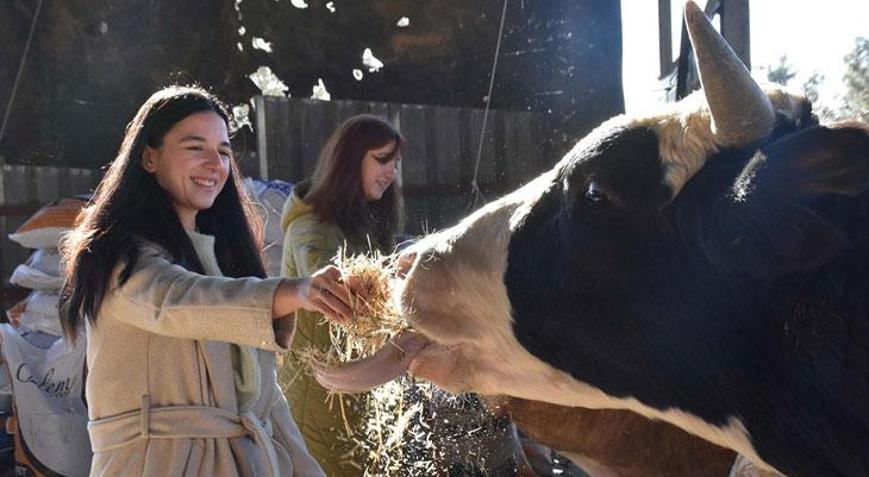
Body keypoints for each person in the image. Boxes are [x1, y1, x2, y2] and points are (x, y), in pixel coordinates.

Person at [60, 85, 360, 477]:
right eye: (194, 147)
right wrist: (295, 290)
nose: (214, 163)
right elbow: (177, 301)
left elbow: (266, 404)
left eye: (222, 151)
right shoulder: (120, 257)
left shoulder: (226, 262)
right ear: (150, 157)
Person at [279, 114, 403, 476]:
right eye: (382, 160)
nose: (391, 172)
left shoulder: (364, 223)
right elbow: (341, 292)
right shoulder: (310, 229)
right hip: (317, 401)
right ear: (350, 160)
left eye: (396, 163)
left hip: (358, 396)